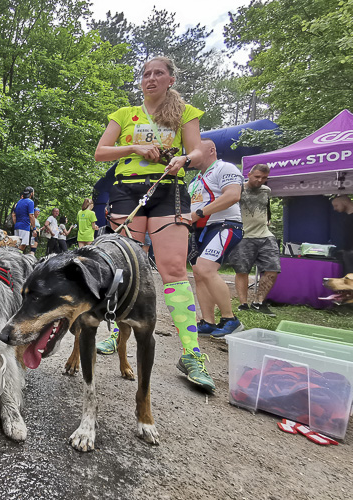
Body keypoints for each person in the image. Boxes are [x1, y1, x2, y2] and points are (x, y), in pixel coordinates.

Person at [93, 56, 215, 392]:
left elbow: (198, 154)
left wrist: (184, 159)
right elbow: (100, 152)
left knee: (174, 269)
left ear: (170, 79)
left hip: (167, 189)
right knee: (123, 266)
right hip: (126, 190)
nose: (150, 78)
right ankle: (116, 331)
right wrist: (133, 147)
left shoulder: (185, 113)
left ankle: (191, 353)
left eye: (158, 73)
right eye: (146, 73)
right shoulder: (124, 115)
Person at [188, 139, 244, 337]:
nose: (191, 153)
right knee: (198, 273)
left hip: (225, 225)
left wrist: (199, 213)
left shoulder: (225, 167)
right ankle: (208, 321)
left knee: (206, 268)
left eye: (196, 149)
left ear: (211, 150)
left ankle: (230, 319)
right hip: (200, 229)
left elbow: (233, 195)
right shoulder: (195, 180)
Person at [229, 164, 280, 317]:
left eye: (264, 178)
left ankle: (259, 302)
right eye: (257, 176)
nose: (260, 180)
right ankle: (243, 304)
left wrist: (268, 220)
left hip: (264, 234)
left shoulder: (267, 190)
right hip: (243, 235)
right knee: (242, 270)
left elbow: (267, 208)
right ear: (249, 174)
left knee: (273, 268)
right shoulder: (239, 189)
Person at [13, 187, 36, 252]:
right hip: (24, 226)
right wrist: (34, 228)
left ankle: (14, 257)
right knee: (23, 245)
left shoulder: (19, 202)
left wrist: (16, 224)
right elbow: (31, 216)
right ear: (31, 193)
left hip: (17, 226)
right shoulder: (30, 202)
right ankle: (16, 258)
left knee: (16, 244)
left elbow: (14, 215)